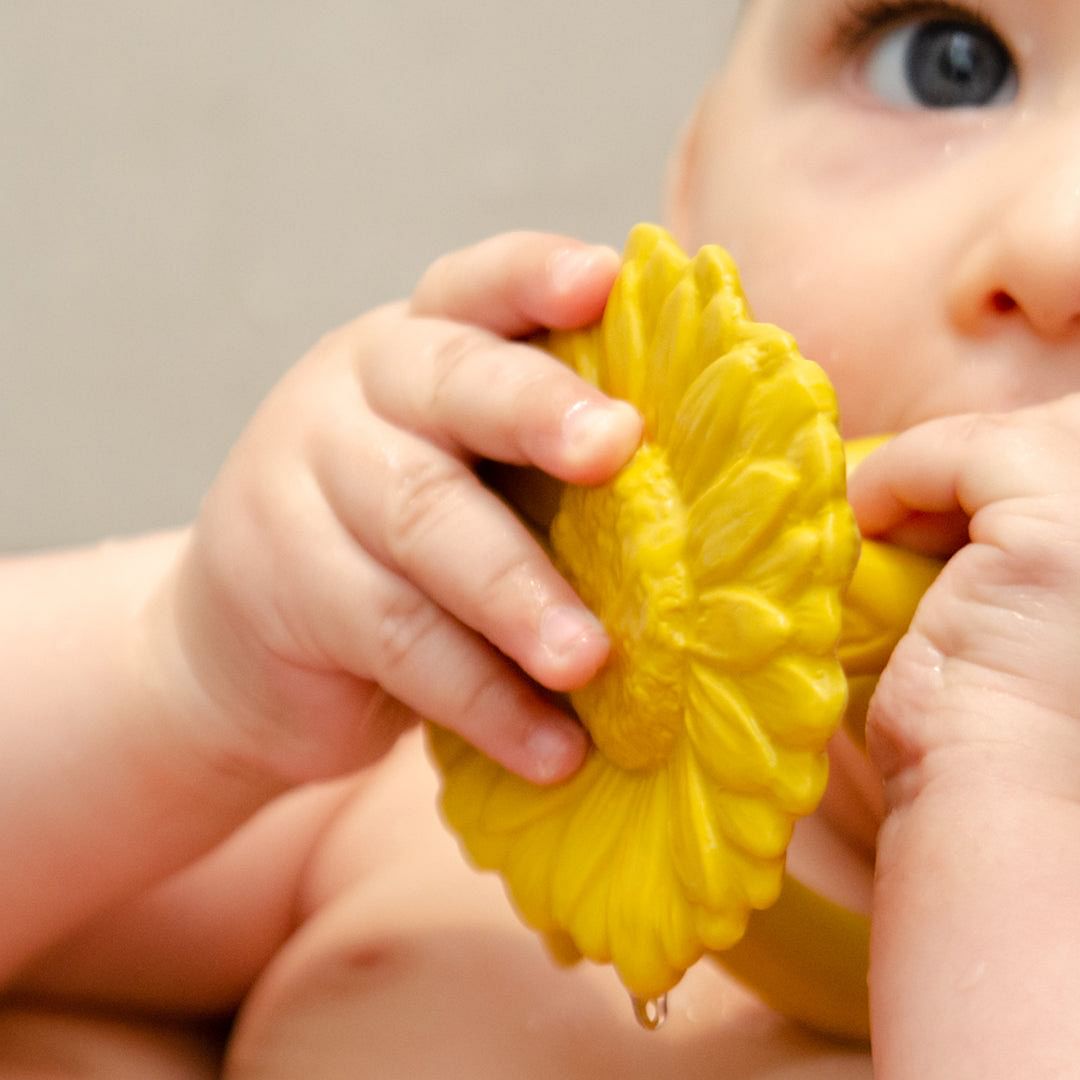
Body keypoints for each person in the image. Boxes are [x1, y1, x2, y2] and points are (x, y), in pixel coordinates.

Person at [3, 0, 1079, 1075]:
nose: (1057, 241)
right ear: (693, 185)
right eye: (949, 63)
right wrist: (183, 682)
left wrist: (1014, 802)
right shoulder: (462, 745)